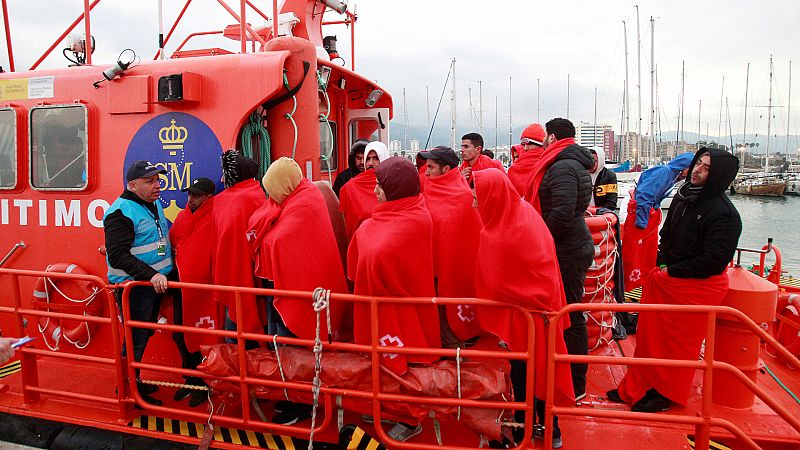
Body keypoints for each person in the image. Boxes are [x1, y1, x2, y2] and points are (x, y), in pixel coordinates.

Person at [608, 148, 741, 412]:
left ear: (719, 176)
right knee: (649, 337)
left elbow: (714, 261)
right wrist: (662, 263)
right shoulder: (683, 196)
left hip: (697, 286)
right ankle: (639, 384)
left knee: (677, 346)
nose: (697, 170)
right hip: (669, 279)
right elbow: (667, 234)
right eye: (697, 164)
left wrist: (672, 271)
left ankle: (664, 392)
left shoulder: (725, 215)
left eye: (705, 168)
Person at [473, 168, 573, 448]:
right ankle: (547, 426)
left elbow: (495, 279)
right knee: (542, 369)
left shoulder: (504, 229)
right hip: (543, 311)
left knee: (526, 370)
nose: (474, 199)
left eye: (477, 193)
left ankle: (528, 424)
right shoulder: (524, 212)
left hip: (530, 315)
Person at [248, 157, 349, 424]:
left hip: (301, 293)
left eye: (272, 190)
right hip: (286, 287)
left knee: (296, 346)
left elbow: (279, 240)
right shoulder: (293, 196)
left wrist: (267, 231)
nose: (270, 197)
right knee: (282, 342)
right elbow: (263, 221)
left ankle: (303, 403)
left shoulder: (305, 201)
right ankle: (290, 394)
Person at [347, 156, 440, 442]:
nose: (374, 191)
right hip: (385, 305)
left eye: (380, 186)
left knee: (404, 364)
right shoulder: (400, 212)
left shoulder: (412, 220)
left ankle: (410, 418)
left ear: (397, 188)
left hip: (401, 308)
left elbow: (381, 257)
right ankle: (388, 406)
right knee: (385, 362)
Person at [524, 118, 594, 400]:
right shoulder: (571, 161)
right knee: (568, 311)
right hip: (570, 244)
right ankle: (571, 376)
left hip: (567, 248)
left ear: (551, 137)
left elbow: (563, 212)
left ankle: (576, 381)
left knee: (570, 314)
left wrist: (541, 238)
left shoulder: (563, 165)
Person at [104, 160, 173, 407]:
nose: (157, 186)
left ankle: (135, 381)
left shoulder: (151, 204)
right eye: (150, 181)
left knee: (142, 335)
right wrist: (151, 275)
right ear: (132, 185)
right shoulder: (121, 212)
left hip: (152, 286)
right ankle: (127, 389)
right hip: (134, 289)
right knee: (136, 339)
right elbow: (118, 254)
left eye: (158, 180)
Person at [418, 146, 483, 344]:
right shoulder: (428, 191)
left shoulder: (462, 195)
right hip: (430, 265)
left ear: (445, 169)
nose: (426, 172)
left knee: (447, 309)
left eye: (431, 167)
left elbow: (467, 236)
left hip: (454, 267)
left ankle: (454, 339)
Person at [169, 177, 220, 407]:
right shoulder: (183, 215)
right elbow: (174, 240)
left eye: (196, 195)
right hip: (182, 286)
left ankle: (206, 383)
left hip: (206, 291)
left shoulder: (216, 216)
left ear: (208, 197)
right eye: (189, 194)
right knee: (181, 333)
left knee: (206, 337)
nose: (191, 199)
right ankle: (191, 378)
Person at [212, 150, 266, 336]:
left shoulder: (228, 201)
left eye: (224, 174)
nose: (221, 179)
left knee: (234, 331)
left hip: (235, 271)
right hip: (251, 271)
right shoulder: (257, 194)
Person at [622, 152, 694, 291]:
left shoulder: (672, 176)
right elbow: (644, 194)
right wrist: (642, 221)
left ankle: (641, 282)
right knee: (634, 255)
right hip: (642, 217)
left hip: (648, 216)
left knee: (647, 254)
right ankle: (629, 285)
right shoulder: (664, 172)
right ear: (684, 166)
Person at [338, 141, 390, 239]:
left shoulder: (394, 183)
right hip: (361, 242)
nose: (370, 163)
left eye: (376, 158)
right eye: (368, 159)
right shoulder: (351, 187)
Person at [508, 123, 546, 196]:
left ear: (540, 145)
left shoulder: (548, 166)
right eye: (523, 144)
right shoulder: (513, 170)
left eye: (529, 144)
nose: (525, 148)